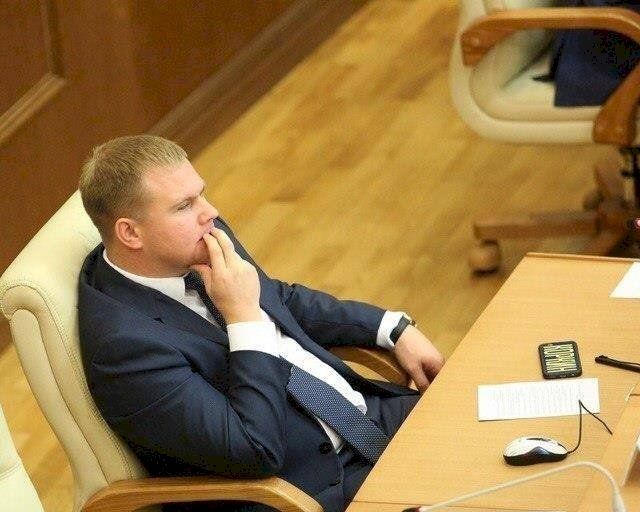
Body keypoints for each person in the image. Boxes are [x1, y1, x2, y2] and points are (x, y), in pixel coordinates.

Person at [77, 135, 444, 512]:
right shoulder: (123, 349)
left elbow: (277, 298)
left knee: (480, 423)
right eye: (184, 206)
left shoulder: (197, 237)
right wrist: (244, 319)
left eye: (202, 194)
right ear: (130, 233)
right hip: (311, 488)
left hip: (370, 417)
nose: (210, 212)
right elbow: (253, 450)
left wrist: (390, 328)